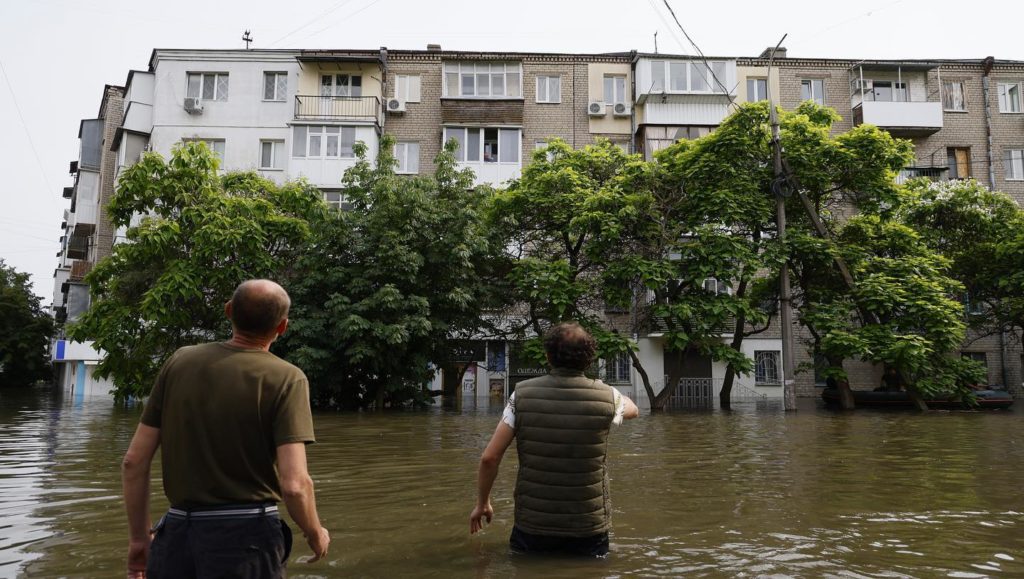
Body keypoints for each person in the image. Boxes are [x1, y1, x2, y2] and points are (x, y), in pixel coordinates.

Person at [121, 279, 330, 578]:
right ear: (282, 327)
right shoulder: (288, 378)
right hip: (248, 543)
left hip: (177, 537)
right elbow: (295, 485)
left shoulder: (179, 361)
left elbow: (133, 462)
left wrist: (140, 541)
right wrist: (315, 533)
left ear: (228, 311)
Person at [469, 322, 640, 557]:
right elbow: (633, 409)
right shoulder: (608, 397)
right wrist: (607, 391)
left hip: (533, 526)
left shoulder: (521, 395)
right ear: (589, 359)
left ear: (548, 356)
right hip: (588, 526)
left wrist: (482, 503)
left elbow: (490, 458)